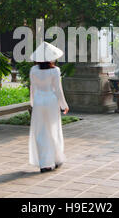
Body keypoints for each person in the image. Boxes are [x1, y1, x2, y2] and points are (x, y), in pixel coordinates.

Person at [29, 41, 69, 173]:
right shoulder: (55, 71)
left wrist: (33, 103)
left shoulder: (33, 70)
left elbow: (33, 89)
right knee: (53, 130)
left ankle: (44, 163)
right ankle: (56, 159)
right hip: (51, 101)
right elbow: (58, 90)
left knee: (40, 132)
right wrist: (64, 105)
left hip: (39, 102)